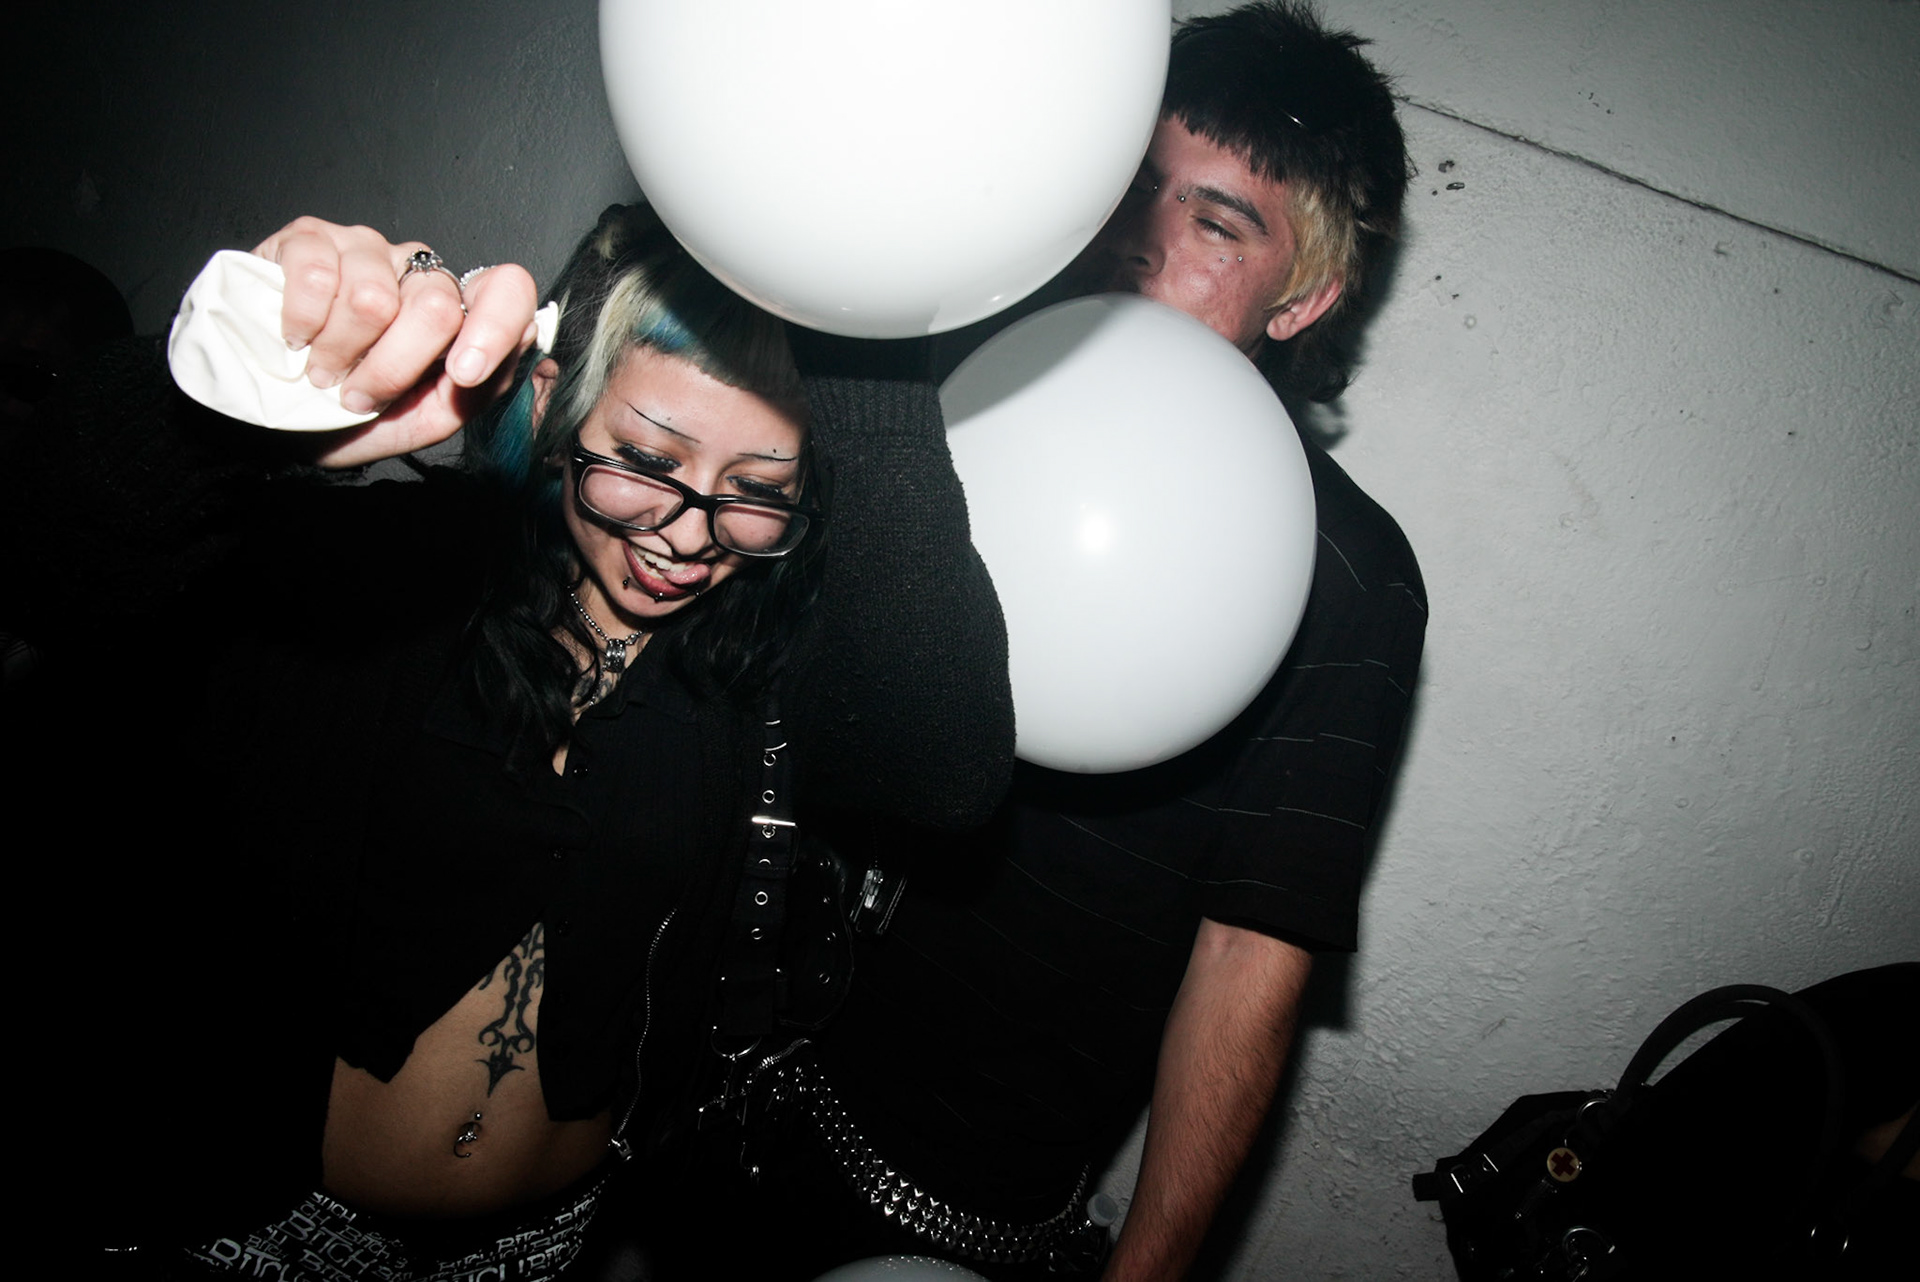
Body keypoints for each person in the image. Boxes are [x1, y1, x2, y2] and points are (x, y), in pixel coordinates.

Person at [5, 203, 1011, 1279]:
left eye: (757, 491)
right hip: (251, 1229)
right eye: (646, 457)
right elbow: (55, 560)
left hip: (541, 1254)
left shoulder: (756, 684)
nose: (688, 533)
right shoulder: (388, 588)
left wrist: (864, 343)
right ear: (551, 401)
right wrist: (212, 409)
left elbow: (949, 774)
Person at [641, 5, 1428, 1279]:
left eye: (1218, 224)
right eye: (1137, 186)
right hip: (712, 1080)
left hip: (956, 1200)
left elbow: (1250, 955)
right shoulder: (945, 386)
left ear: (1308, 296)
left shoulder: (1345, 574)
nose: (1145, 239)